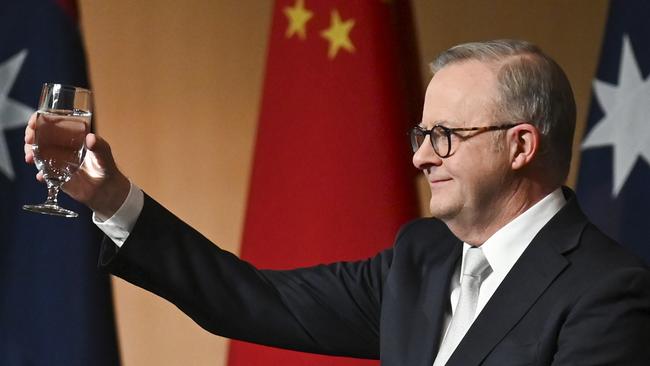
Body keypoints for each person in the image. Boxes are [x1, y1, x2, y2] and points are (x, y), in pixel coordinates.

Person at [24, 39, 650, 365]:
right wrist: (110, 198)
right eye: (419, 135)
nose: (419, 158)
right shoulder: (421, 256)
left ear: (520, 146)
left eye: (444, 137)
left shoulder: (608, 292)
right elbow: (248, 300)